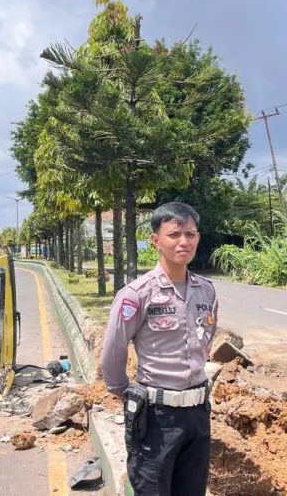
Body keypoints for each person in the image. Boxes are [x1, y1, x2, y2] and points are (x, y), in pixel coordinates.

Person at [101, 202, 218, 496]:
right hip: (157, 418)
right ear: (156, 241)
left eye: (190, 234)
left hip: (198, 414)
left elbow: (207, 338)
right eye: (174, 234)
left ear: (198, 238)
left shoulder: (207, 290)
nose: (183, 242)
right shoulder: (138, 294)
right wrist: (122, 389)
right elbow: (114, 350)